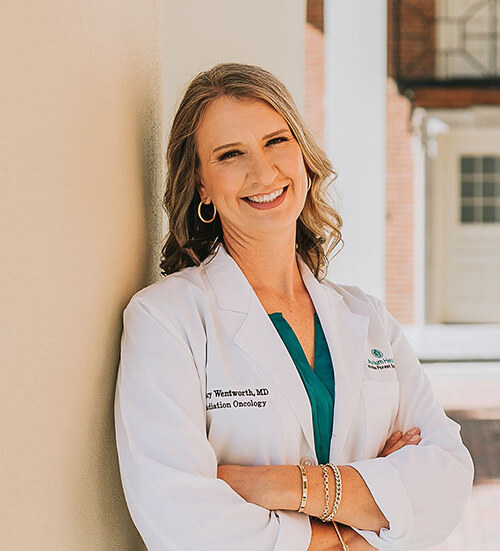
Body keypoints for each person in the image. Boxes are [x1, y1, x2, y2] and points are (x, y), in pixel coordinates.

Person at [114, 62, 474, 551]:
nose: (263, 172)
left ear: (303, 154)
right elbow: (180, 519)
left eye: (276, 141)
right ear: (201, 185)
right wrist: (358, 522)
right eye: (230, 154)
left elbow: (448, 481)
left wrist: (282, 486)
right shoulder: (167, 319)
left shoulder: (367, 319)